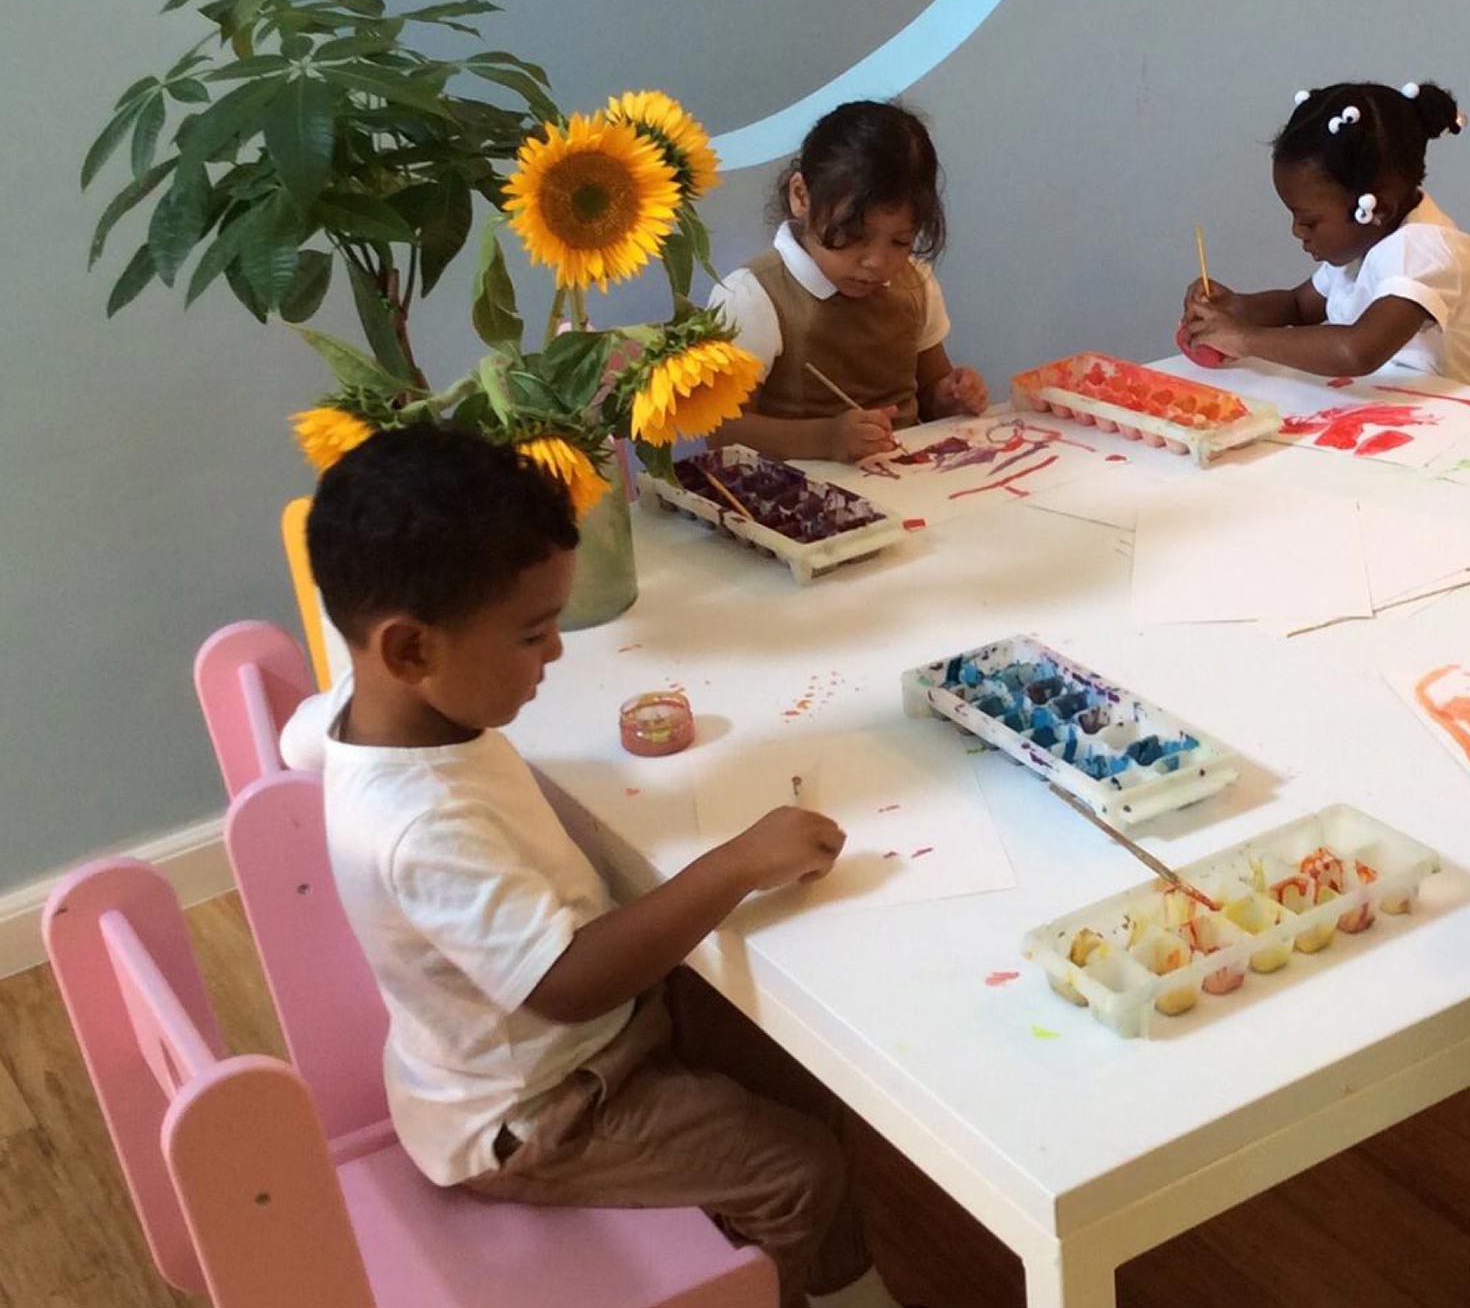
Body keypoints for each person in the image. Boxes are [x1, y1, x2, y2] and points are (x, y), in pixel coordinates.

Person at [282, 426, 907, 1308]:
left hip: (562, 1052)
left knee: (790, 1060)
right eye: (533, 633)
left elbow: (300, 737)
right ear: (412, 652)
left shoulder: (365, 707)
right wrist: (735, 862)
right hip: (541, 1110)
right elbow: (567, 984)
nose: (555, 654)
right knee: (798, 1171)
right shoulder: (421, 824)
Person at [1181, 79, 1470, 394]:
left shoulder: (1425, 252)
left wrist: (1245, 339)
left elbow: (1357, 351)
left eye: (1309, 222)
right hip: (1399, 408)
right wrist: (1236, 307)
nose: (1296, 231)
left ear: (1377, 209)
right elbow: (1298, 306)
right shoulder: (1366, 240)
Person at [708, 100, 987, 463]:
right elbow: (722, 431)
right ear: (801, 196)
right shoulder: (752, 296)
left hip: (911, 481)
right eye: (853, 235)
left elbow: (931, 391)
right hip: (798, 491)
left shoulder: (915, 284)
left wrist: (950, 398)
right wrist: (827, 439)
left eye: (900, 241)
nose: (876, 262)